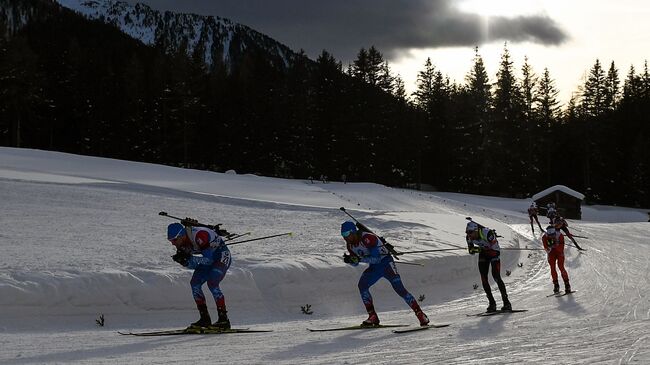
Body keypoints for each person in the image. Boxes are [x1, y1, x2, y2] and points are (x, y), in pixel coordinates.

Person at [340, 221, 429, 327]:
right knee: (362, 286)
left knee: (400, 290)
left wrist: (359, 259)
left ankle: (420, 315)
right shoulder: (350, 245)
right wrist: (351, 261)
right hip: (375, 268)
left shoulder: (368, 238)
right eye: (342, 235)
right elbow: (357, 262)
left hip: (386, 264)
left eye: (346, 234)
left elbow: (376, 259)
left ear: (353, 231)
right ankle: (372, 316)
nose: (345, 237)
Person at [168, 222, 232, 329]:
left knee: (212, 283)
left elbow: (209, 260)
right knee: (195, 283)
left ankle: (223, 319)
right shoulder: (181, 244)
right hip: (208, 259)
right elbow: (194, 265)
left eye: (174, 240)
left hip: (221, 255)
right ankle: (204, 319)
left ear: (182, 235)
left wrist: (190, 258)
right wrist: (185, 262)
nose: (172, 244)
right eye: (170, 241)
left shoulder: (200, 234)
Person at [465, 221, 511, 312]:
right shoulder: (469, 237)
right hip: (484, 253)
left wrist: (481, 249)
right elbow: (471, 251)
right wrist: (476, 249)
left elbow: (494, 247)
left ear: (476, 230)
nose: (469, 235)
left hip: (494, 253)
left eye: (470, 232)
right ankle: (492, 303)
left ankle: (506, 303)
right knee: (483, 278)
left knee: (496, 276)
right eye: (467, 232)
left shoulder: (487, 233)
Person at [542, 226, 571, 293]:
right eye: (550, 235)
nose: (552, 236)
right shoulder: (544, 237)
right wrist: (549, 248)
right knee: (552, 267)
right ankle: (556, 285)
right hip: (551, 253)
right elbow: (545, 247)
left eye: (553, 235)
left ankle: (567, 285)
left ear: (555, 232)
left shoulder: (560, 235)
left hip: (559, 252)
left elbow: (561, 248)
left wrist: (556, 245)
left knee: (561, 266)